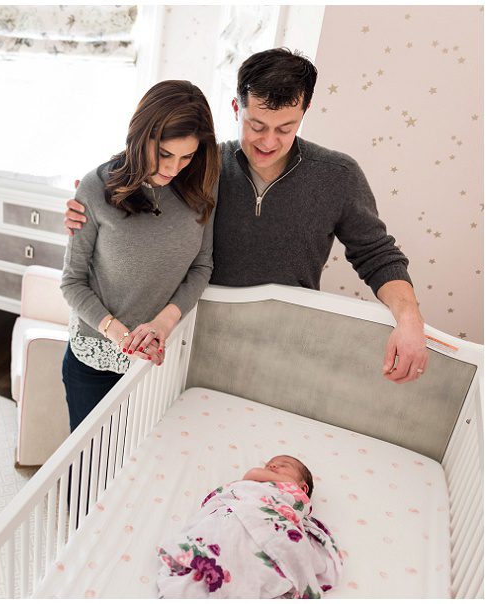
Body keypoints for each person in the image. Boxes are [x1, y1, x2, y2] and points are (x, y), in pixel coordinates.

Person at [65, 48, 429, 385]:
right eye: (256, 125)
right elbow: (141, 171)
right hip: (194, 349)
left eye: (285, 129)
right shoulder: (202, 168)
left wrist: (409, 319)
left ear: (305, 112)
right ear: (237, 108)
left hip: (286, 349)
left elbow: (377, 255)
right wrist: (86, 201)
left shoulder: (337, 176)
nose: (268, 142)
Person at [60, 80, 219, 433]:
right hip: (95, 359)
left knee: (138, 466)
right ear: (139, 135)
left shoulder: (202, 186)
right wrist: (121, 336)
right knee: (90, 471)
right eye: (164, 154)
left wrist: (161, 325)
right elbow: (71, 282)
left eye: (187, 156)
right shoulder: (94, 187)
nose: (174, 167)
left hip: (158, 359)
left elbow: (201, 266)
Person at [156, 455, 342, 598]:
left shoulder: (293, 490)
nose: (272, 465)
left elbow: (252, 474)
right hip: (235, 515)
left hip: (273, 526)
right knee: (224, 537)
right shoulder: (249, 486)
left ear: (304, 488)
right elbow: (246, 483)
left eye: (284, 465)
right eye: (269, 464)